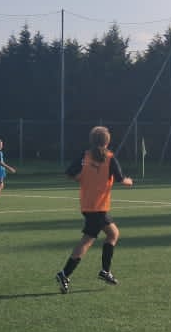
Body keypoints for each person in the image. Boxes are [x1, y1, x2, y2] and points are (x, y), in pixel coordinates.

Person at [56, 125, 132, 292]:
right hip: (98, 207)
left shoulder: (84, 156)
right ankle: (65, 273)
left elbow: (69, 173)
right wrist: (129, 181)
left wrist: (81, 178)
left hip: (89, 205)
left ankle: (105, 271)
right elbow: (121, 179)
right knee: (87, 240)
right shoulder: (110, 158)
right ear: (107, 142)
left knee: (112, 234)